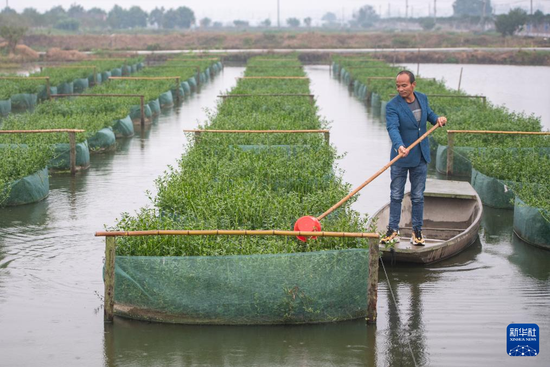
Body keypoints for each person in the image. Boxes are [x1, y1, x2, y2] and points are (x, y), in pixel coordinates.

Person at [380, 70, 447, 246]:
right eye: (398, 86)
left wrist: (438, 119)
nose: (400, 89)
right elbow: (392, 128)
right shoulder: (392, 106)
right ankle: (392, 230)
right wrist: (399, 146)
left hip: (420, 156)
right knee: (396, 195)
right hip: (401, 157)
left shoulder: (422, 98)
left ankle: (417, 232)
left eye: (404, 85)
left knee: (417, 196)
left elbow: (429, 115)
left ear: (413, 85)